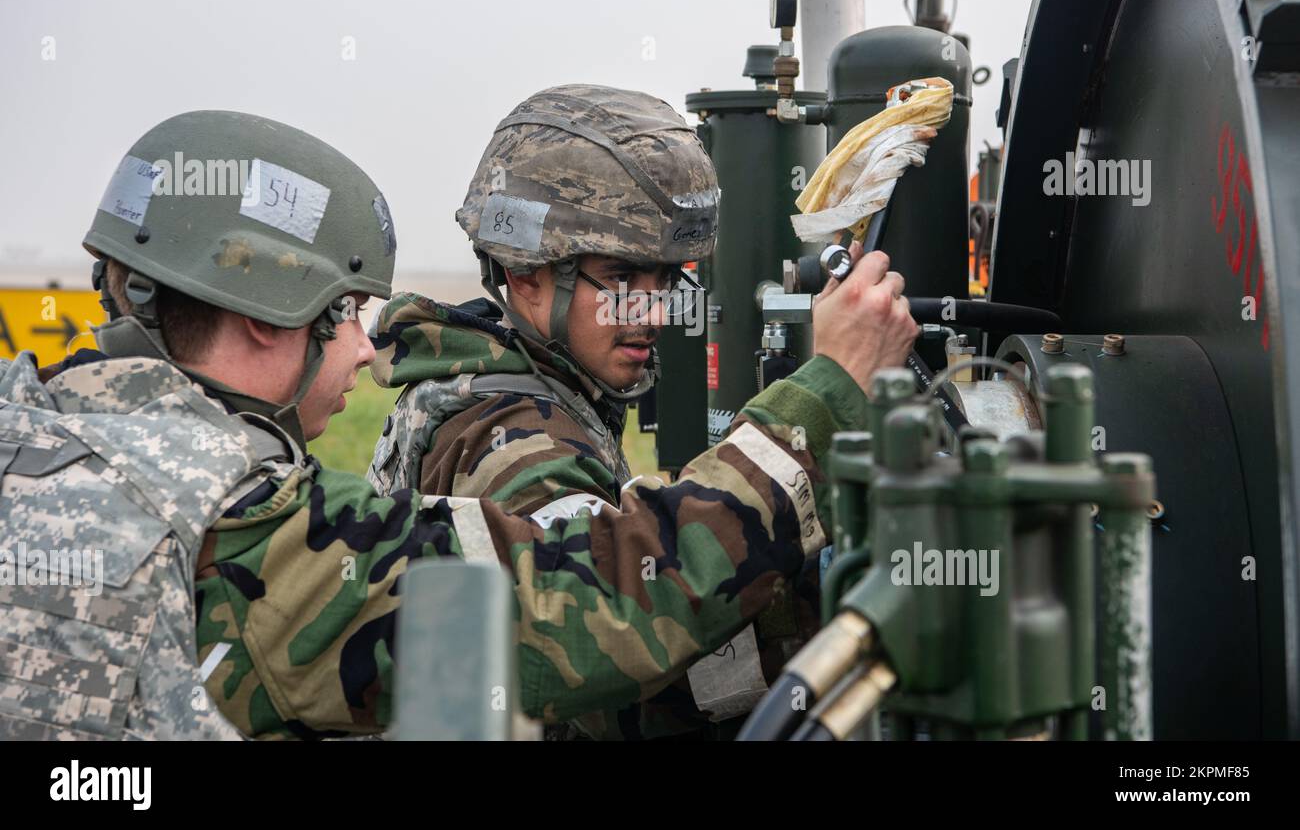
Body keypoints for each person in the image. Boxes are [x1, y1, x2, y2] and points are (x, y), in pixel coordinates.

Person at [0, 104, 913, 741]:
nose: (367, 350)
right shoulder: (241, 531)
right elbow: (578, 602)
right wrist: (823, 395)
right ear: (264, 317)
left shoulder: (37, 431)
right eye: (345, 313)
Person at [365, 85, 919, 738]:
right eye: (621, 277)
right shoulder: (512, 440)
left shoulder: (513, 383)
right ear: (524, 272)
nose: (653, 313)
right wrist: (823, 395)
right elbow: (606, 649)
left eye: (664, 278)